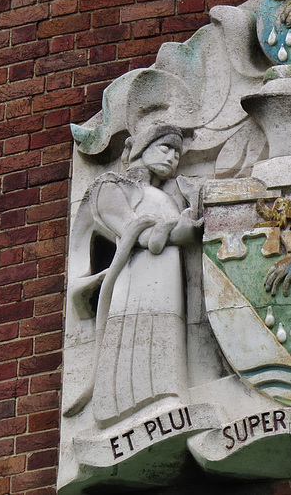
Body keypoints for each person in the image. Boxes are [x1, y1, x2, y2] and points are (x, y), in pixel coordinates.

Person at [66, 123, 200, 426]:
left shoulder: (165, 197)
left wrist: (184, 225)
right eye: (165, 148)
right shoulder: (111, 186)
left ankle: (167, 395)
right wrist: (176, 229)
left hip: (167, 278)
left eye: (177, 153)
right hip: (134, 279)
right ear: (141, 149)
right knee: (137, 331)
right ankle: (122, 408)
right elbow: (134, 233)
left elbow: (158, 234)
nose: (172, 158)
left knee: (166, 332)